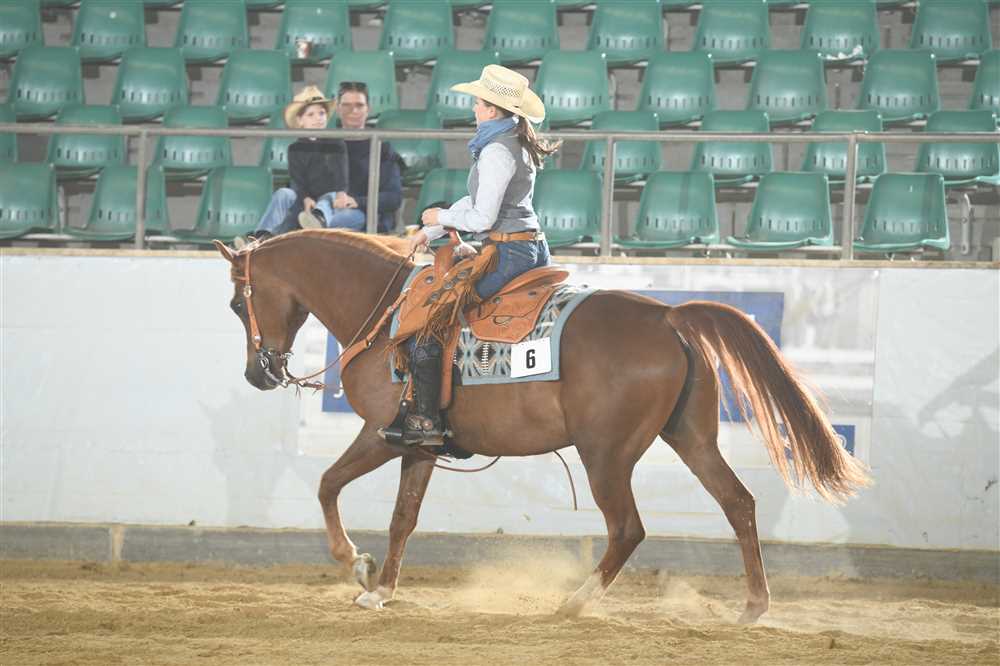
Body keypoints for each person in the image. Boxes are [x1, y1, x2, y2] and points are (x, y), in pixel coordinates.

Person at [387, 64, 560, 447]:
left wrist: (440, 217)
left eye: (478, 103)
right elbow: (477, 200)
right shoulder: (511, 141)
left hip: (509, 251)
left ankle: (426, 418)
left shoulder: (496, 150)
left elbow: (482, 218)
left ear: (493, 110)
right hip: (526, 245)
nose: (474, 108)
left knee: (433, 317)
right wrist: (431, 230)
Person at [239, 85, 349, 246]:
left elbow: (341, 174)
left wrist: (341, 192)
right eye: (311, 114)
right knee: (284, 193)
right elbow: (297, 180)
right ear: (300, 120)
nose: (318, 118)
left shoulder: (336, 143)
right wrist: (305, 198)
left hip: (328, 200)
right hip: (306, 197)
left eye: (322, 113)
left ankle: (318, 218)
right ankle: (261, 234)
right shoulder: (295, 148)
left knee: (330, 196)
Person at [314, 81, 403, 233]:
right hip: (327, 209)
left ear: (368, 109)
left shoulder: (382, 148)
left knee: (340, 220)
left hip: (365, 215)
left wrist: (357, 201)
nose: (353, 110)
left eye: (359, 105)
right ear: (338, 109)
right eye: (346, 105)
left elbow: (393, 198)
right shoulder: (323, 145)